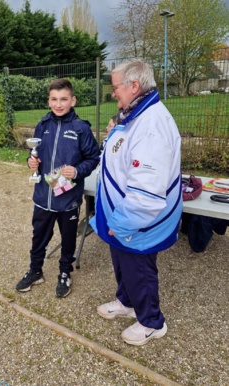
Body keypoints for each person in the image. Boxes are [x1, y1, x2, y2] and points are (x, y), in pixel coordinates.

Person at [90, 59, 182, 345]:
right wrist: (114, 133)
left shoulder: (151, 126)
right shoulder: (134, 116)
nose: (112, 92)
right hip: (121, 214)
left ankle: (152, 322)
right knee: (122, 262)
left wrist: (122, 222)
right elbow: (123, 156)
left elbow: (147, 191)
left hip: (137, 221)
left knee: (138, 268)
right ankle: (127, 302)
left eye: (115, 86)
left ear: (134, 85)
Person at [16, 78, 100, 298]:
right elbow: (35, 154)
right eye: (54, 99)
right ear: (49, 101)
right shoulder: (43, 125)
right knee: (39, 236)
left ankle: (65, 272)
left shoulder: (80, 128)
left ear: (73, 100)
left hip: (68, 198)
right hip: (43, 196)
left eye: (64, 99)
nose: (58, 104)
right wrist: (30, 162)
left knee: (68, 238)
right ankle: (35, 271)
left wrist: (78, 171)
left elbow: (93, 157)